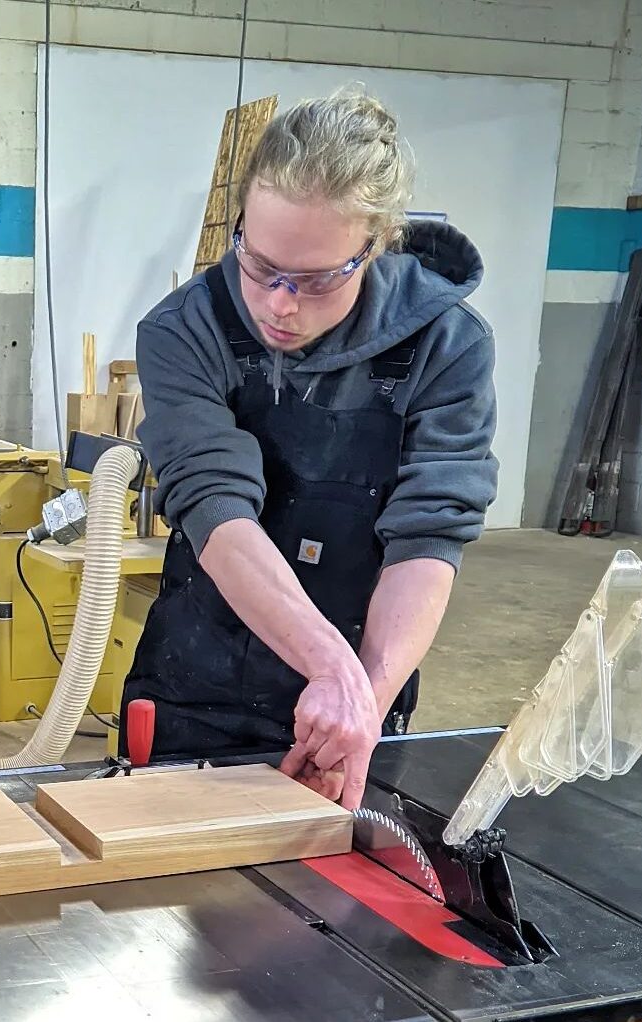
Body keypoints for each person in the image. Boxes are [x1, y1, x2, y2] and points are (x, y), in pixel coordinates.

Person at [122, 85, 498, 809]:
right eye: (259, 266)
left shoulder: (448, 347)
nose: (279, 305)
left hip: (364, 681)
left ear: (378, 244)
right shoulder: (184, 330)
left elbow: (428, 537)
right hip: (195, 681)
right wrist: (329, 663)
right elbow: (214, 505)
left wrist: (358, 700)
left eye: (318, 280)